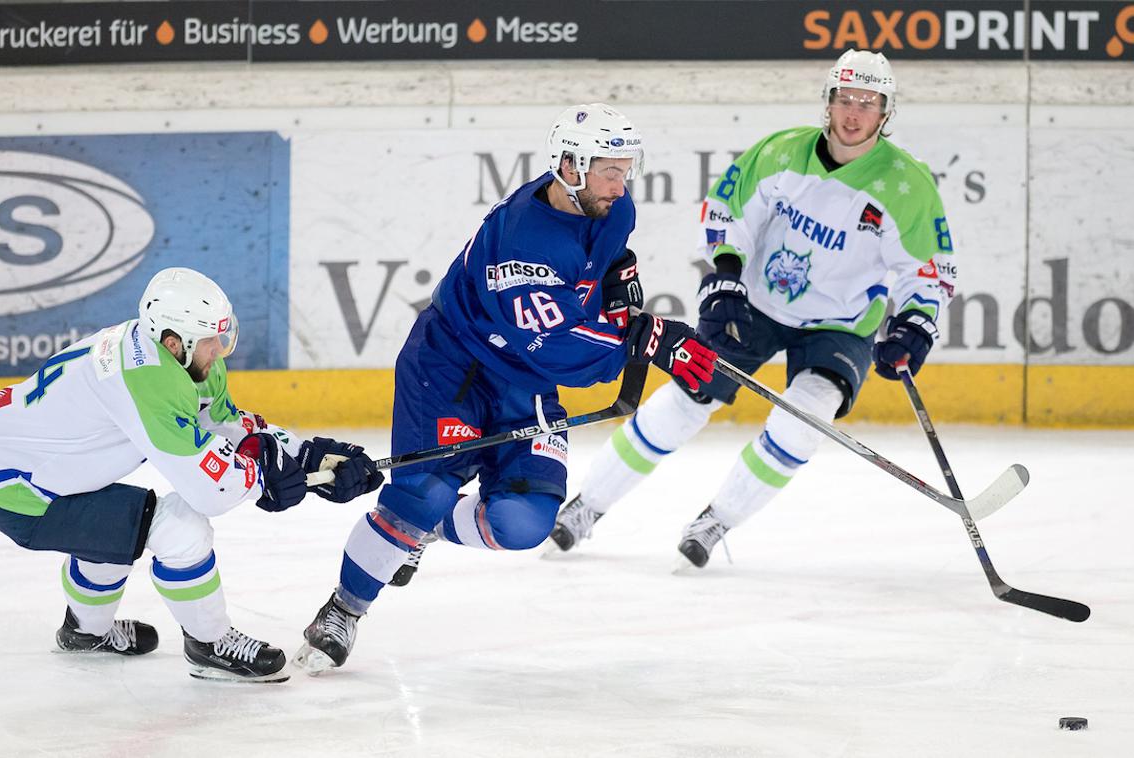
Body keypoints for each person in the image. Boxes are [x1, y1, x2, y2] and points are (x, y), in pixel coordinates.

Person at [295, 103, 727, 673]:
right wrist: (648, 341)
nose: (621, 183)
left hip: (525, 381)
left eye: (626, 169)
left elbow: (605, 261)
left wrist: (622, 283)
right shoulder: (524, 244)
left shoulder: (608, 203)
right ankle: (344, 608)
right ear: (570, 167)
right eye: (609, 170)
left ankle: (425, 533)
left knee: (524, 523)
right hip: (453, 368)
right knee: (421, 494)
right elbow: (562, 349)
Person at [547, 50, 959, 567]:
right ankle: (588, 505)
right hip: (757, 305)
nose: (854, 113)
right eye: (845, 99)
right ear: (828, 103)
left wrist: (917, 321)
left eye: (868, 103)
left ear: (885, 112)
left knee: (805, 418)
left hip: (842, 323)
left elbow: (929, 267)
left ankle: (718, 519)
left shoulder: (907, 185)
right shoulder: (781, 152)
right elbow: (728, 211)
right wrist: (723, 276)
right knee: (687, 398)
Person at [0, 267, 382, 682]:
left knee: (115, 531)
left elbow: (224, 424)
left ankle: (84, 633)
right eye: (210, 341)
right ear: (173, 341)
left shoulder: (177, 355)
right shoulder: (147, 380)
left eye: (222, 336)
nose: (219, 350)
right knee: (181, 529)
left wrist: (306, 454)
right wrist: (264, 477)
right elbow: (210, 491)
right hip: (18, 493)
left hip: (25, 464)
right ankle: (209, 645)